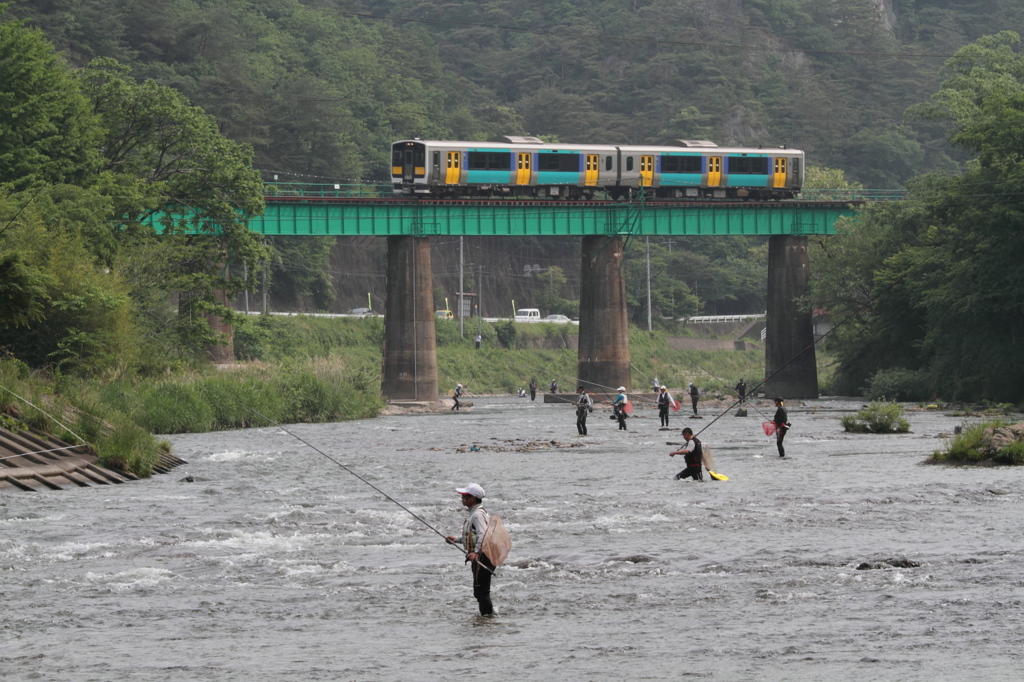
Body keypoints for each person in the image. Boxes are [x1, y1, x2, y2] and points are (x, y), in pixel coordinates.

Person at [445, 483, 494, 616]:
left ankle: (487, 619)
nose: (462, 498)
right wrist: (457, 539)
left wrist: (476, 553)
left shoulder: (477, 515)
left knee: (481, 592)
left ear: (472, 498)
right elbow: (472, 535)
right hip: (480, 555)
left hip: (482, 557)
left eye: (465, 496)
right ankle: (487, 618)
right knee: (480, 592)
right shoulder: (475, 513)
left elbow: (482, 535)